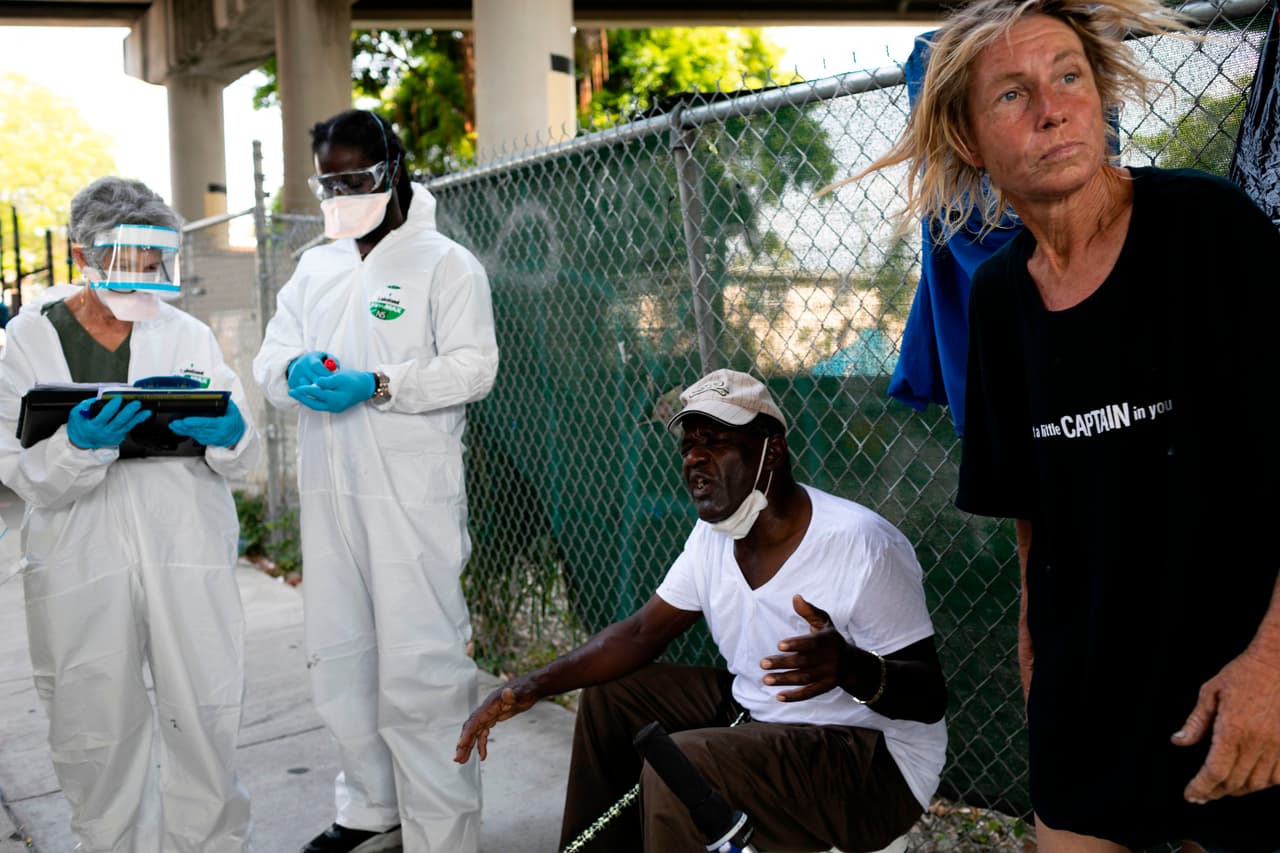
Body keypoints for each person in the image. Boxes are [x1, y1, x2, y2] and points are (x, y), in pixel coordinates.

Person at [851, 0, 1280, 848]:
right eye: (1012, 94)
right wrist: (1034, 658)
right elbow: (1031, 517)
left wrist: (1273, 667)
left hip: (1236, 692)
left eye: (1069, 77)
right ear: (970, 140)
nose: (1053, 108)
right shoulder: (998, 297)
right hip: (1087, 711)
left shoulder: (1209, 230)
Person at [455, 368, 947, 853]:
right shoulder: (713, 538)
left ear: (770, 451)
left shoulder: (860, 545)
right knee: (611, 696)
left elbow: (929, 697)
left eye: (715, 442)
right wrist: (533, 685)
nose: (694, 459)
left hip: (872, 764)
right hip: (761, 721)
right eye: (688, 445)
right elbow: (641, 633)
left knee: (681, 767)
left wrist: (850, 667)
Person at [252, 109, 499, 853]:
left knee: (421, 671)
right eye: (328, 179)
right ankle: (371, 811)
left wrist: (380, 381)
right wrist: (291, 373)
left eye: (355, 177)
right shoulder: (314, 265)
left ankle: (443, 836)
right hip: (331, 495)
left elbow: (473, 368)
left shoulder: (445, 263)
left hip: (408, 501)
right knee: (341, 657)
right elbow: (269, 363)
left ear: (393, 170)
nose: (340, 192)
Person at [0, 176, 260, 852]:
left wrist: (230, 432)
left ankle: (209, 844)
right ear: (84, 258)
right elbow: (16, 468)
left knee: (200, 708)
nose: (146, 280)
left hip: (185, 545)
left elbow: (242, 447)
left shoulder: (187, 333)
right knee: (93, 719)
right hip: (76, 555)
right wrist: (74, 448)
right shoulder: (29, 340)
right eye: (130, 265)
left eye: (155, 264)